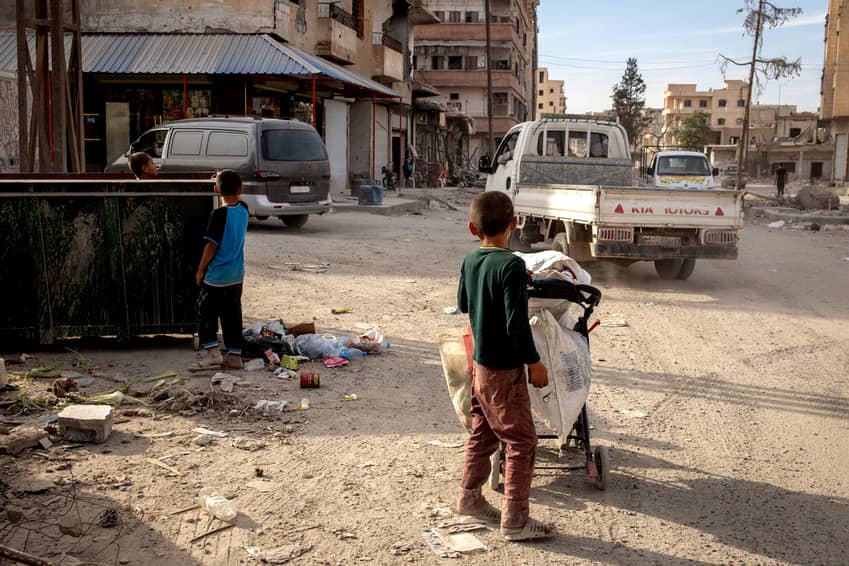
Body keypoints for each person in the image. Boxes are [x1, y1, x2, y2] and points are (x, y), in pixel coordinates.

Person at [454, 191, 553, 542]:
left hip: (480, 366)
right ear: (515, 223)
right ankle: (515, 520)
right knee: (522, 440)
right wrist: (534, 363)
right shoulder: (510, 265)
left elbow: (464, 303)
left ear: (471, 228)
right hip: (504, 371)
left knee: (483, 434)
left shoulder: (470, 260)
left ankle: (470, 499)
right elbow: (516, 325)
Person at [190, 170, 249, 372]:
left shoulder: (218, 215)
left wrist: (200, 270)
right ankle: (234, 355)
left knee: (205, 311)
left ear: (215, 190)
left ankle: (213, 354)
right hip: (237, 276)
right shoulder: (244, 210)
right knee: (232, 315)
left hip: (217, 276)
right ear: (240, 190)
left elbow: (211, 247)